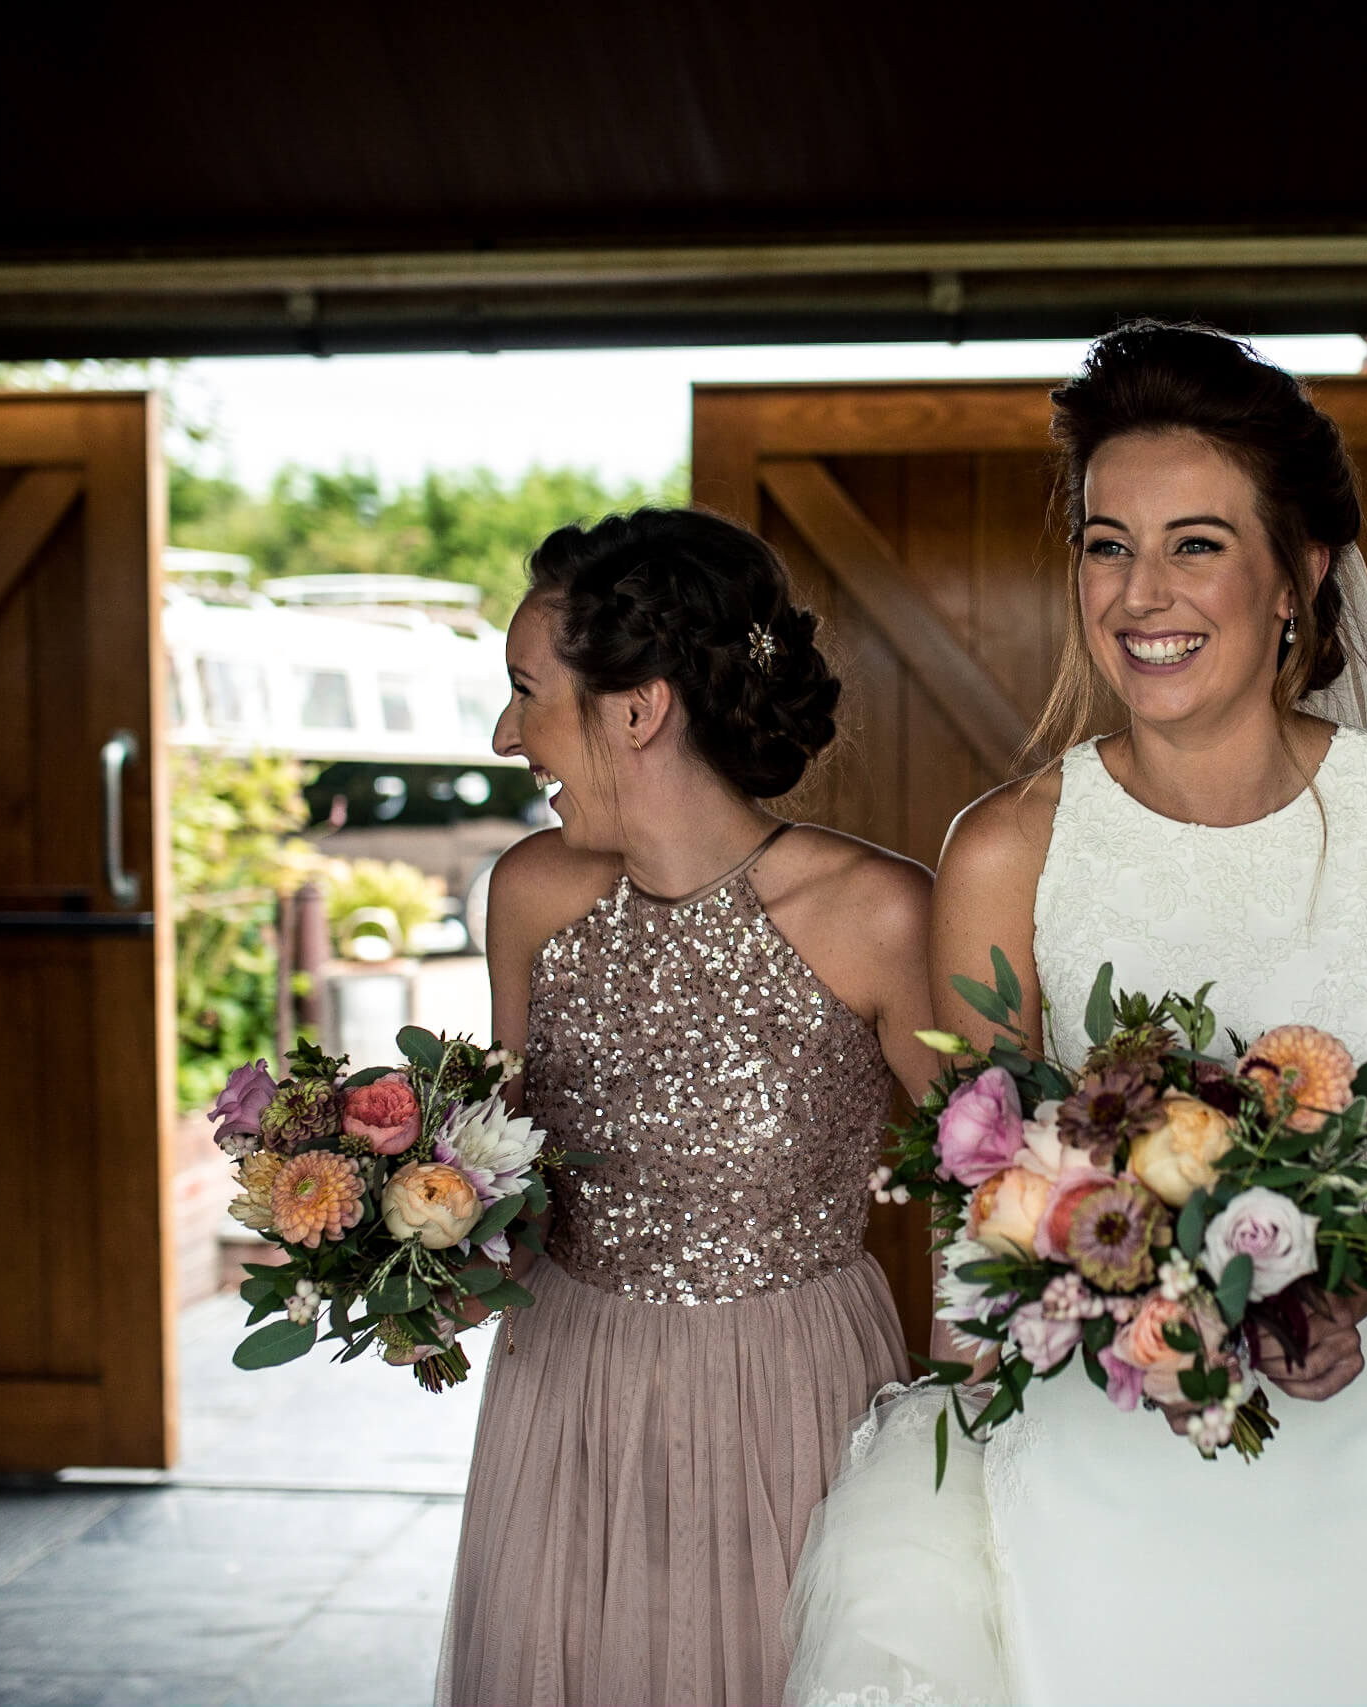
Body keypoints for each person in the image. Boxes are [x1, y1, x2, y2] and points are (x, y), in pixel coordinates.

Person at [785, 322, 1367, 1706]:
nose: (1141, 590)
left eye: (1195, 542)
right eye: (1105, 542)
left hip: (1359, 1424)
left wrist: (1326, 1289)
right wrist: (973, 1417)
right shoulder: (1008, 846)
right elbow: (985, 1173)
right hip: (1097, 1438)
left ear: (1299, 572)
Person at [436, 508, 941, 1706]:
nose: (508, 734)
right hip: (564, 1382)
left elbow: (1008, 1189)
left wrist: (959, 1432)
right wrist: (418, 1252)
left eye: (525, 691)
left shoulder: (875, 912)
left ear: (639, 706)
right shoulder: (530, 895)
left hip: (788, 1388)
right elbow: (505, 1174)